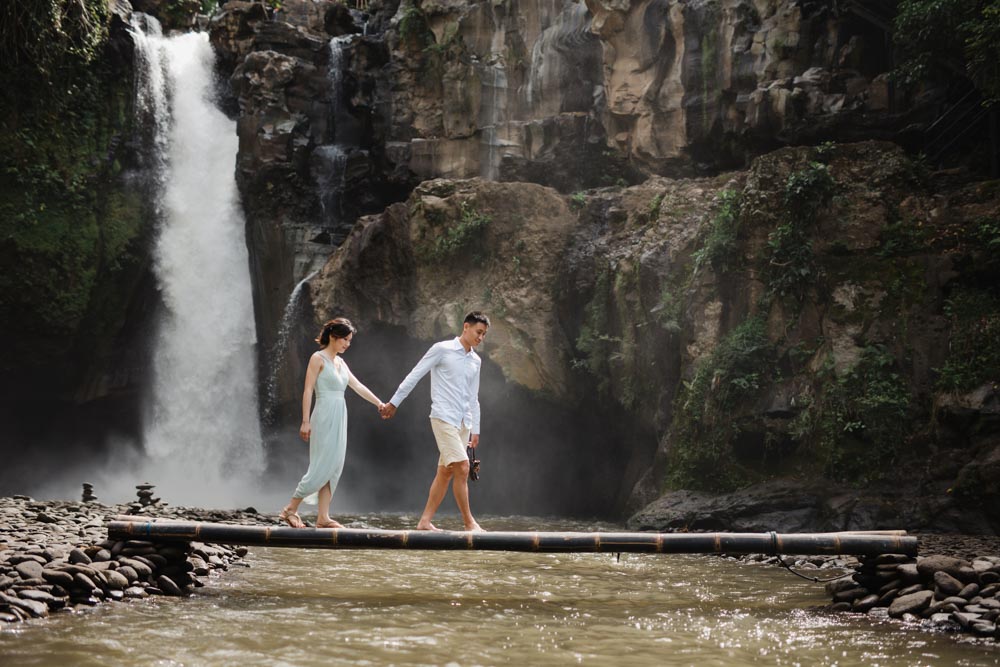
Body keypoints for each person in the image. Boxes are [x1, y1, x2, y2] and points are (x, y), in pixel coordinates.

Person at [380, 312, 490, 532]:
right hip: (443, 417)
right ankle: (470, 523)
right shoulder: (442, 349)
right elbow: (415, 374)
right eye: (479, 332)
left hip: (463, 422)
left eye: (484, 335)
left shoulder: (476, 360)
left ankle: (424, 522)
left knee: (446, 472)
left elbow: (473, 396)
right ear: (466, 326)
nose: (481, 338)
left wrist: (475, 429)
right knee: (462, 467)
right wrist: (394, 402)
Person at [279, 318, 384, 529]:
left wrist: (379, 404)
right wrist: (305, 421)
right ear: (334, 337)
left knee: (334, 466)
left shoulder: (341, 362)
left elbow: (357, 386)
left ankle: (323, 517)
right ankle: (290, 508)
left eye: (349, 340)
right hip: (324, 414)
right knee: (321, 465)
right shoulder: (317, 358)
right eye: (345, 339)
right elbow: (308, 389)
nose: (347, 344)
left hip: (339, 415)